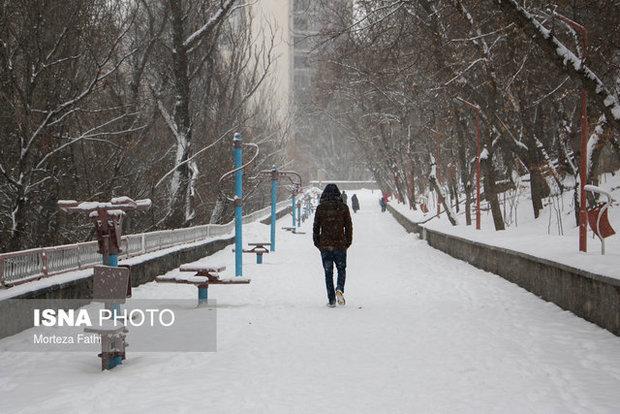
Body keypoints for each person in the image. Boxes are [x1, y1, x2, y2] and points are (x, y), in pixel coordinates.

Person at [313, 184, 353, 307]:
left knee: (328, 272)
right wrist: (347, 242)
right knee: (341, 269)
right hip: (340, 244)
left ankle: (331, 299)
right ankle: (339, 288)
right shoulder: (343, 208)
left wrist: (317, 243)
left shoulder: (321, 208)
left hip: (325, 246)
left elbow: (316, 227)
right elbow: (349, 227)